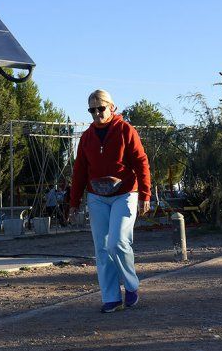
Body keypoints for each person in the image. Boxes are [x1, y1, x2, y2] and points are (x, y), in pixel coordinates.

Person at [69, 89, 151, 313]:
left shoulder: (126, 130)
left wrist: (145, 194)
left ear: (112, 107)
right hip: (97, 196)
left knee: (117, 242)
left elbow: (141, 162)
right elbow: (79, 171)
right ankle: (111, 297)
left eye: (100, 108)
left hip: (124, 194)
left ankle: (131, 285)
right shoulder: (86, 137)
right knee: (102, 249)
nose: (96, 113)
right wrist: (73, 202)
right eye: (92, 110)